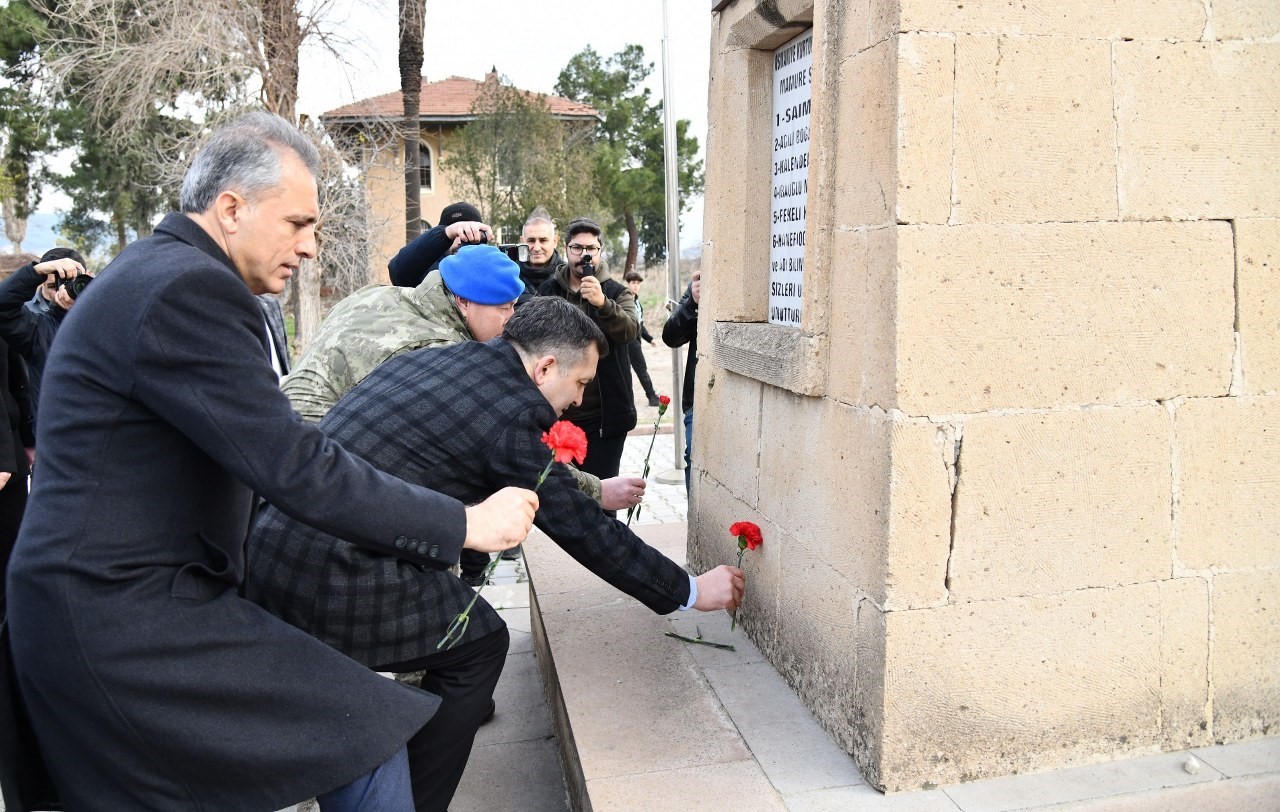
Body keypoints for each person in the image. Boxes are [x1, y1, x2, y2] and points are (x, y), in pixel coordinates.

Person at [3, 111, 537, 811]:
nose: (311, 248)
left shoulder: (159, 271)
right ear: (230, 208)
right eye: (298, 224)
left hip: (112, 608)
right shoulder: (189, 289)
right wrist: (463, 523)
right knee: (363, 733)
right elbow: (293, 463)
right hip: (123, 621)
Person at [245, 297, 744, 812]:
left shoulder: (441, 358)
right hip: (329, 575)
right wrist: (688, 591)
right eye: (579, 384)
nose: (577, 401)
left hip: (271, 547)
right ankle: (416, 801)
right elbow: (585, 532)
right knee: (479, 641)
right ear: (545, 367)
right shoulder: (509, 418)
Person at [281, 243, 645, 583]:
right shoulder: (440, 352)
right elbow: (516, 448)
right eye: (503, 308)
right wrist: (595, 489)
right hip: (323, 485)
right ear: (463, 301)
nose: (510, 321)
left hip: (286, 450)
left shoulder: (381, 295)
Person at [537, 217, 638, 482]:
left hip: (603, 418)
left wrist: (603, 304)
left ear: (600, 250)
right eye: (577, 248)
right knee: (562, 494)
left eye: (591, 248)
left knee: (604, 495)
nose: (584, 254)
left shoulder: (616, 292)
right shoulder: (549, 290)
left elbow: (630, 331)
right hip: (558, 414)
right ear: (567, 249)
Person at [0, 247, 92, 428]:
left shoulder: (110, 320)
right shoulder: (39, 331)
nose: (67, 289)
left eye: (75, 282)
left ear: (87, 276)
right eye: (57, 284)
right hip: (56, 437)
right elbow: (3, 306)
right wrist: (36, 271)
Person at [388, 201, 491, 287]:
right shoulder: (428, 270)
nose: (460, 240)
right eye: (455, 234)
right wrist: (445, 233)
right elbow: (398, 272)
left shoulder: (491, 266)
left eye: (467, 234)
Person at [663, 270, 700, 492]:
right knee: (693, 456)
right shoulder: (698, 286)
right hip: (697, 400)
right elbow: (671, 337)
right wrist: (691, 305)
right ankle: (693, 524)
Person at [623, 270, 661, 407]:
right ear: (628, 284)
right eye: (633, 283)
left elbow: (640, 325)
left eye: (638, 283)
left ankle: (651, 396)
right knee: (633, 370)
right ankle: (651, 396)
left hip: (636, 341)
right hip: (627, 341)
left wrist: (650, 339)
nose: (635, 286)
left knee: (638, 369)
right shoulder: (624, 301)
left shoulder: (638, 303)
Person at [516, 207, 565, 304]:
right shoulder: (510, 275)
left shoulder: (567, 277)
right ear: (522, 242)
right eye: (531, 241)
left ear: (555, 241)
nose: (537, 248)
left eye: (543, 240)